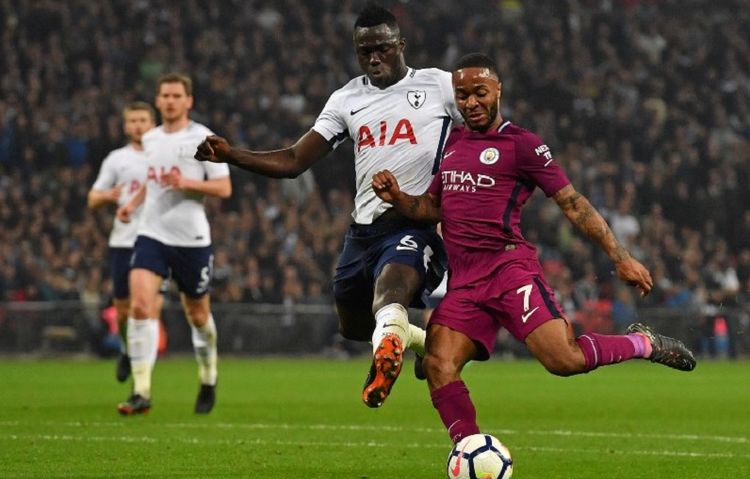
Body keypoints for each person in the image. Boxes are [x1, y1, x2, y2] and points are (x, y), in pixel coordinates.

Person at [371, 53, 696, 449]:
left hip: (509, 270)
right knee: (439, 365)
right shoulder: (454, 144)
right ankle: (470, 453)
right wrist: (399, 197)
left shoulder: (522, 145)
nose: (471, 103)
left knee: (564, 361)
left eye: (479, 93)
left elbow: (573, 203)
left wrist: (620, 256)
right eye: (462, 95)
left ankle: (642, 343)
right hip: (465, 282)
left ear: (498, 91)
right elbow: (432, 208)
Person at [195, 3, 463, 408]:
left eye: (383, 48)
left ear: (401, 45)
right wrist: (232, 154)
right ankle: (419, 342)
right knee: (354, 326)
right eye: (365, 51)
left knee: (390, 292)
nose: (374, 57)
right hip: (362, 232)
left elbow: (483, 125)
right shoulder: (346, 99)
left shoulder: (438, 86)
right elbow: (293, 161)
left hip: (414, 222)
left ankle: (390, 349)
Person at [116, 73, 231, 415]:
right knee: (139, 306)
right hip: (152, 234)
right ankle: (142, 391)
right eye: (164, 95)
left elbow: (223, 189)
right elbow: (152, 183)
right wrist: (131, 205)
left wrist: (186, 183)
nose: (169, 101)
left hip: (192, 240)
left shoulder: (203, 138)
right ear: (158, 99)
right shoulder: (150, 138)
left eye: (176, 95)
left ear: (188, 100)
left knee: (197, 314)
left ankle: (209, 376)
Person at [87, 102, 164, 383]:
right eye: (132, 121)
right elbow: (93, 199)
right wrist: (109, 196)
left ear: (152, 122)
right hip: (123, 240)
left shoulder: (164, 155)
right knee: (122, 311)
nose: (138, 125)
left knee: (148, 306)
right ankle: (127, 349)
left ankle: (144, 380)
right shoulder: (116, 159)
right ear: (125, 126)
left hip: (158, 240)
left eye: (143, 119)